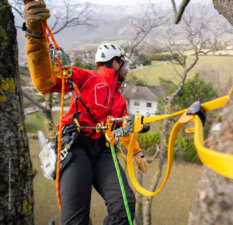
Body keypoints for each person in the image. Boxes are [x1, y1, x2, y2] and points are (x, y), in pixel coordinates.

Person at [23, 1, 148, 224]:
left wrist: (136, 152)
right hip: (74, 145)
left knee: (125, 207)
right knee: (75, 219)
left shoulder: (119, 99)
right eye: (125, 65)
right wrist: (35, 35)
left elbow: (122, 128)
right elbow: (44, 82)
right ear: (116, 63)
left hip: (103, 149)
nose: (127, 70)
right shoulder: (86, 77)